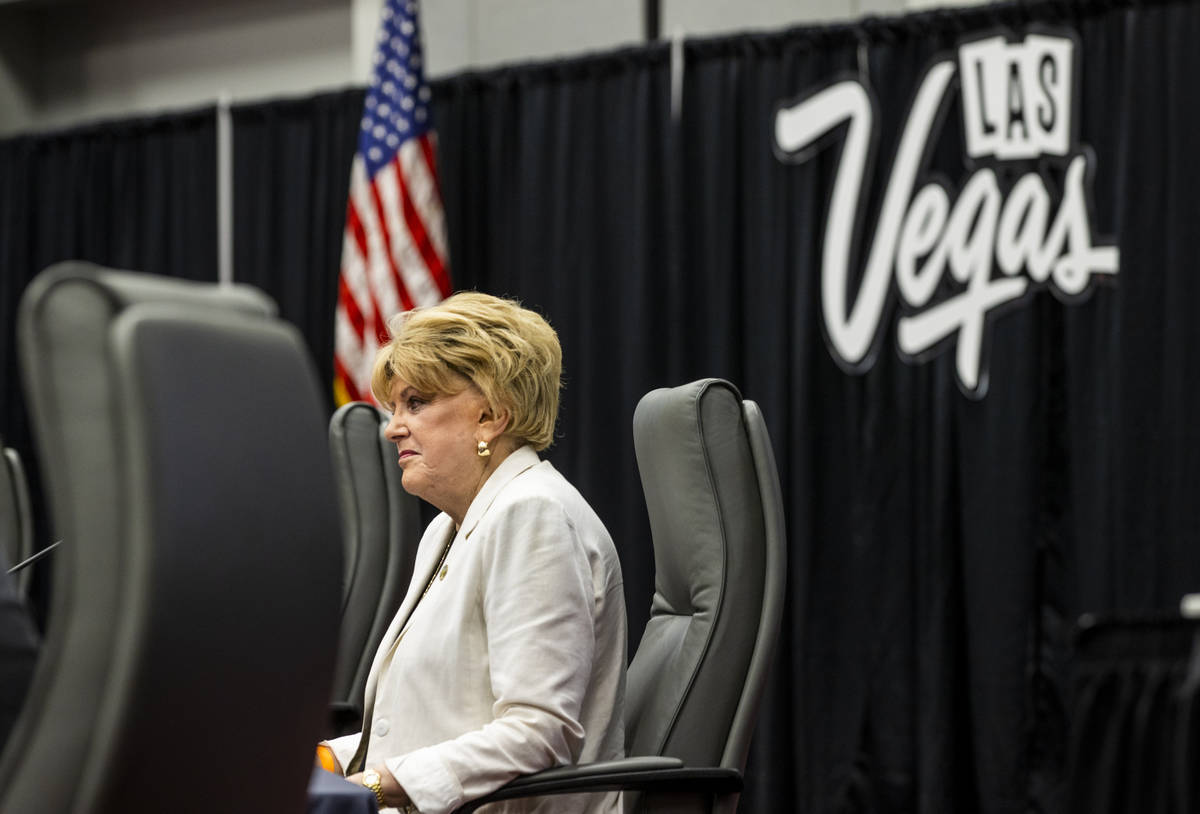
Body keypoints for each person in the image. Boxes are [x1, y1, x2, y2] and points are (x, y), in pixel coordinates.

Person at [321, 292, 627, 814]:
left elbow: (538, 733)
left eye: (415, 403)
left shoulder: (533, 513)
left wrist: (372, 786)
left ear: (490, 416)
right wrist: (327, 761)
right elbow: (432, 722)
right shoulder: (447, 527)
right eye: (394, 407)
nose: (392, 426)